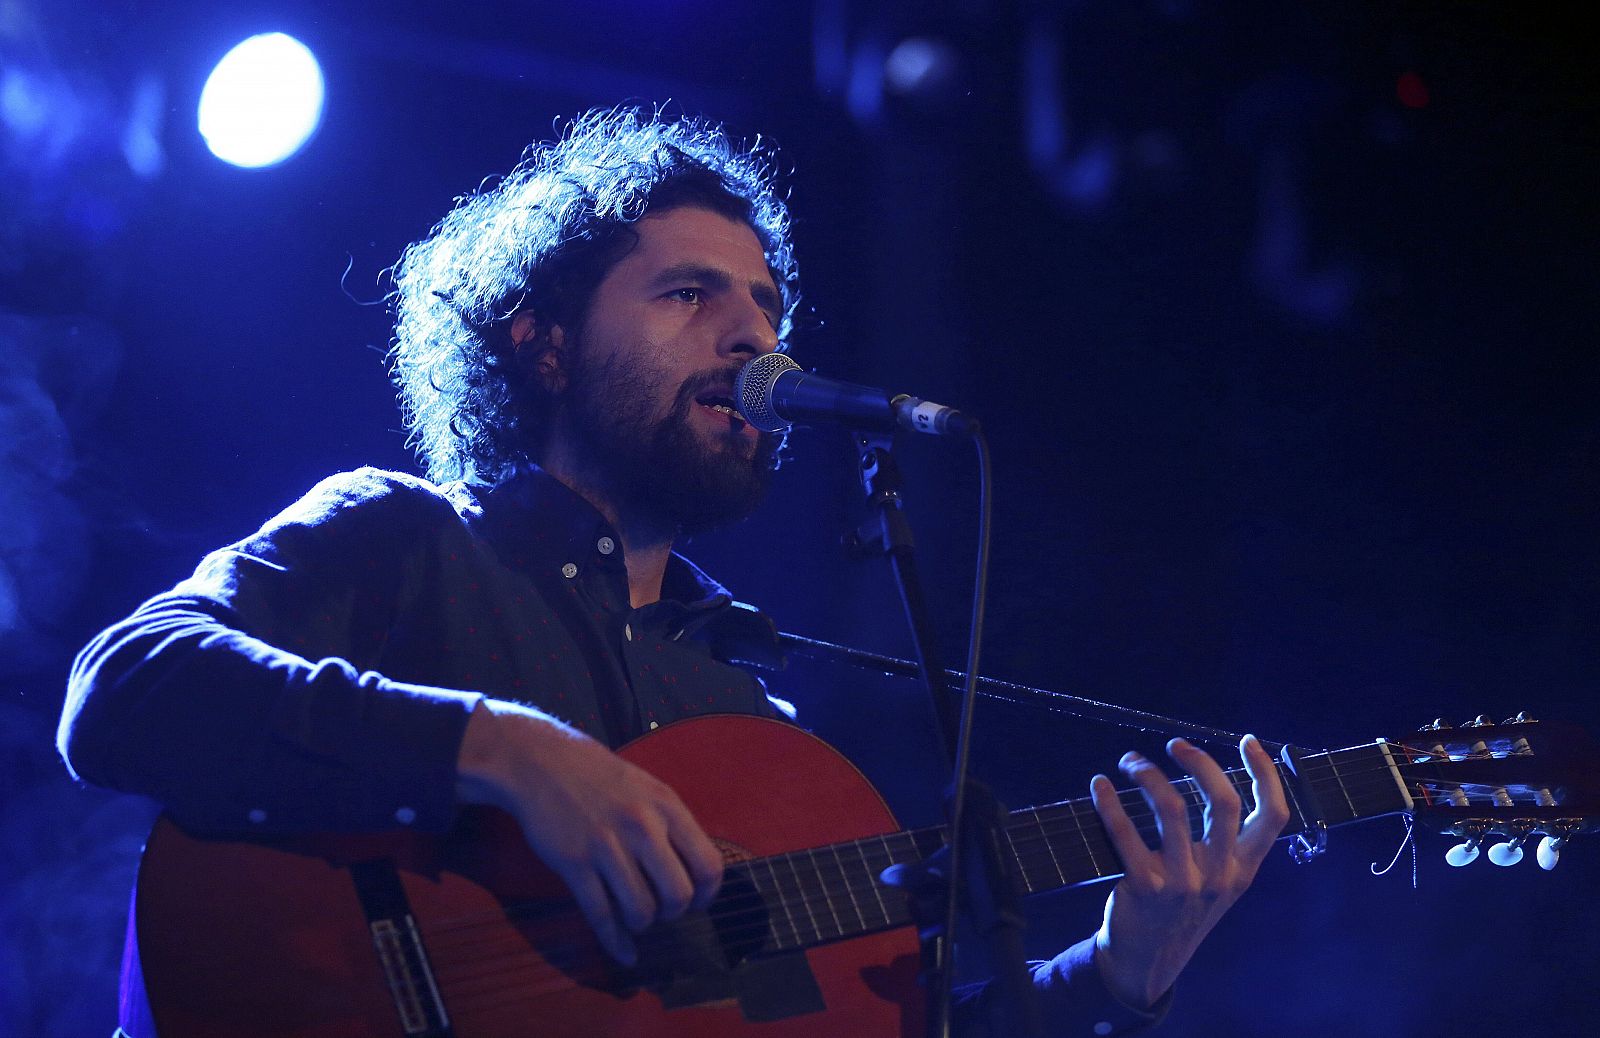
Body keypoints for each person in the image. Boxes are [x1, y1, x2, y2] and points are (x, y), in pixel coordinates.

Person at [59, 107, 1289, 1036]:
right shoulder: (404, 541)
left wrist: (1121, 973)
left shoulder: (750, 716)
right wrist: (502, 751)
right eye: (688, 294)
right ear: (538, 341)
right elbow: (125, 691)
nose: (754, 333)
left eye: (763, 303)